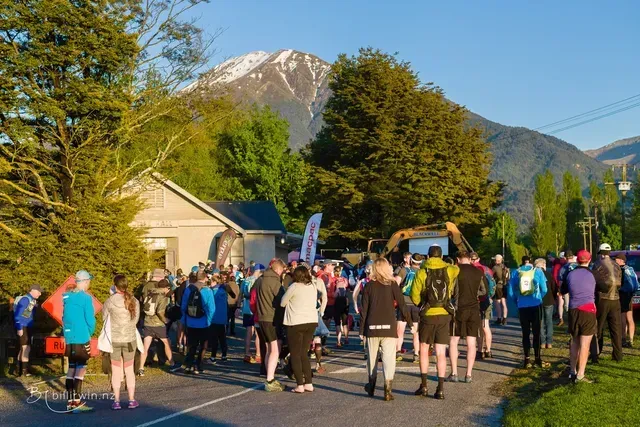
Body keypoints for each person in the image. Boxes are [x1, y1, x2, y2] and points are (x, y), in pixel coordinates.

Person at [411, 244, 459, 400]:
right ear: (442, 256)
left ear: (428, 256)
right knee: (440, 352)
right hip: (444, 314)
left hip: (428, 315)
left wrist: (422, 305)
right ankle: (440, 389)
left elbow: (414, 295)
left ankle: (424, 385)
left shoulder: (422, 272)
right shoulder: (450, 270)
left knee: (424, 349)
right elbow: (456, 269)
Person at [360, 258, 412, 401]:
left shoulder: (369, 286)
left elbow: (364, 310)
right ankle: (388, 390)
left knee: (372, 358)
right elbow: (402, 304)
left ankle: (371, 385)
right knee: (389, 359)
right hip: (389, 326)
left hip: (372, 327)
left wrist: (361, 330)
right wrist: (410, 322)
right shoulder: (392, 284)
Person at [103, 275, 141, 410]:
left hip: (114, 339)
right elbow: (136, 320)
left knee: (116, 370)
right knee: (129, 370)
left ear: (115, 286)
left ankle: (116, 401)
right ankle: (131, 400)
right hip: (129, 339)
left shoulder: (109, 301)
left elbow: (104, 319)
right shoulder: (134, 301)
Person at [448, 251, 486, 383]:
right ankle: (468, 374)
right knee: (471, 343)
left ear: (458, 259)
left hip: (458, 310)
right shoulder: (478, 272)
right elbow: (484, 291)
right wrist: (475, 294)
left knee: (454, 341)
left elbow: (451, 291)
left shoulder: (456, 271)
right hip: (473, 309)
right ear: (470, 259)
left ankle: (454, 373)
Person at [280, 266, 319, 393]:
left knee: (295, 354)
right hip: (311, 321)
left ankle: (299, 384)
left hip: (295, 322)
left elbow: (283, 302)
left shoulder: (294, 286)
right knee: (304, 353)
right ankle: (309, 382)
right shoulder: (312, 286)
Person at [62, 270, 97, 412]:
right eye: (88, 281)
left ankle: (70, 402)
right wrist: (89, 332)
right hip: (82, 336)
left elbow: (65, 318)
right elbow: (90, 319)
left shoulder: (67, 297)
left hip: (70, 338)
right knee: (80, 369)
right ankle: (77, 403)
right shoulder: (85, 298)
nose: (89, 284)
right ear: (85, 282)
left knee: (71, 368)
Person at [508, 257, 549, 369]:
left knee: (525, 333)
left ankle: (526, 360)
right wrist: (539, 298)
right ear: (531, 262)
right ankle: (537, 358)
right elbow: (545, 289)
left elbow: (511, 291)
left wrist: (517, 301)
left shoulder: (516, 272)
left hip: (522, 306)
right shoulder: (538, 271)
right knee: (536, 333)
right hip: (535, 304)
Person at [565, 250, 597, 383]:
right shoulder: (593, 274)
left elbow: (563, 290)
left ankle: (572, 371)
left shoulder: (570, 274)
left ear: (577, 260)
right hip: (588, 310)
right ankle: (580, 374)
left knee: (575, 342)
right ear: (589, 260)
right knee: (585, 345)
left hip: (573, 310)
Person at [256, 258, 287, 391]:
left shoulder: (260, 280)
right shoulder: (275, 282)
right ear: (278, 269)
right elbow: (282, 300)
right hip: (271, 318)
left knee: (269, 348)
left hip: (261, 317)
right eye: (282, 271)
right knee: (275, 349)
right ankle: (270, 380)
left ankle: (269, 376)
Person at [590, 243, 623, 362]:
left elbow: (594, 282)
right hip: (616, 299)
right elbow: (620, 282)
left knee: (598, 327)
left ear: (600, 254)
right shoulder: (616, 265)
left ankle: (596, 354)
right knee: (616, 328)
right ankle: (618, 355)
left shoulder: (597, 265)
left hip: (602, 299)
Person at [140, 279, 179, 375]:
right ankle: (172, 364)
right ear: (166, 288)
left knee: (145, 346)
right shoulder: (162, 297)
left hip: (147, 322)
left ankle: (140, 368)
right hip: (158, 324)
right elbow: (160, 311)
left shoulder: (150, 293)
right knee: (167, 343)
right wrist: (165, 320)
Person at [180, 270, 214, 374]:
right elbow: (211, 308)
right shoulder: (207, 290)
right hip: (203, 322)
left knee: (192, 345)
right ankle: (198, 365)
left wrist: (185, 319)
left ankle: (189, 365)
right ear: (205, 278)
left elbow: (183, 306)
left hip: (190, 322)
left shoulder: (188, 289)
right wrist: (209, 320)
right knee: (203, 346)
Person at [396, 253, 422, 363]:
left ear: (411, 261)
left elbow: (395, 285)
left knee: (400, 331)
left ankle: (397, 352)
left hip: (404, 304)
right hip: (416, 305)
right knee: (415, 332)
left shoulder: (404, 271)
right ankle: (416, 354)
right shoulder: (422, 273)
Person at [13, 284, 42, 377]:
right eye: (39, 291)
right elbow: (18, 315)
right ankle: (24, 372)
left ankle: (18, 370)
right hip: (23, 326)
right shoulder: (25, 299)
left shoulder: (32, 300)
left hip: (27, 326)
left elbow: (28, 314)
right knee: (26, 348)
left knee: (23, 348)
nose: (40, 294)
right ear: (33, 290)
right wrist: (19, 328)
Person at [471, 252, 495, 359]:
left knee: (479, 328)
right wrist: (490, 296)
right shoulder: (487, 269)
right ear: (479, 259)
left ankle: (480, 350)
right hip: (487, 300)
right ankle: (489, 350)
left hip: (477, 301)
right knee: (486, 326)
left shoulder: (471, 270)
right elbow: (492, 284)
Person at [208, 273, 236, 363]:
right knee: (222, 337)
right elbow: (233, 295)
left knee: (214, 339)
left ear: (214, 281)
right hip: (223, 317)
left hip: (213, 317)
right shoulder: (224, 290)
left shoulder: (211, 291)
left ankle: (213, 357)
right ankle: (224, 355)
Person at [241, 265, 264, 363]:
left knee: (248, 332)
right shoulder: (259, 281)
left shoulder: (245, 280)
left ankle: (247, 353)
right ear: (259, 271)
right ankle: (258, 354)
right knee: (258, 333)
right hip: (255, 309)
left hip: (246, 309)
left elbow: (241, 293)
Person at [615, 253, 639, 347]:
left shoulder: (620, 270)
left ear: (621, 260)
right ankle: (631, 340)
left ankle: (623, 339)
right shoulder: (630, 269)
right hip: (630, 295)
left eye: (616, 259)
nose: (615, 261)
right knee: (630, 318)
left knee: (622, 318)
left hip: (623, 295)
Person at [539, 258, 556, 349]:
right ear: (544, 265)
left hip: (538, 301)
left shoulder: (535, 275)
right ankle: (549, 342)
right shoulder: (549, 275)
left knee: (540, 321)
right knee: (549, 321)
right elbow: (554, 287)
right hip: (549, 300)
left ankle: (542, 342)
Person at [557, 250, 578, 326]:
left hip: (567, 292)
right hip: (579, 291)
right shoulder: (579, 266)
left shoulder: (563, 268)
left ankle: (572, 332)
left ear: (565, 258)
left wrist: (560, 291)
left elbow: (561, 283)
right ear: (573, 256)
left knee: (569, 309)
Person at [333, 265, 350, 347]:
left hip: (336, 301)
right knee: (345, 322)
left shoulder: (334, 280)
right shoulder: (344, 280)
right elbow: (348, 287)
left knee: (337, 322)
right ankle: (346, 338)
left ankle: (338, 341)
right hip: (344, 301)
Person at [317, 261, 337, 331]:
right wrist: (331, 294)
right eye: (332, 265)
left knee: (328, 321)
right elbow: (319, 291)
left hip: (331, 302)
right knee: (323, 323)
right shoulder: (321, 275)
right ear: (327, 265)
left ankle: (323, 338)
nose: (333, 267)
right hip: (324, 303)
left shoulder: (330, 275)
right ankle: (321, 339)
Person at [492, 254, 510, 325]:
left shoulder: (495, 267)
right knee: (504, 303)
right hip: (504, 286)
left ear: (497, 260)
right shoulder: (505, 267)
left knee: (497, 303)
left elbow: (491, 276)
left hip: (498, 286)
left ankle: (499, 319)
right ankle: (504, 319)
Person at [553, 252, 567, 327]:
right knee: (563, 303)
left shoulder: (557, 266)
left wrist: (557, 286)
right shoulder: (568, 265)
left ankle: (561, 318)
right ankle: (562, 318)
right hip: (565, 286)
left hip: (560, 286)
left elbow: (555, 277)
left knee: (561, 303)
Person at [226, 272, 240, 337]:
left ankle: (225, 330)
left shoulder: (227, 285)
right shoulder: (236, 286)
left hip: (228, 303)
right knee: (232, 318)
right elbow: (238, 294)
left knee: (227, 317)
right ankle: (232, 331)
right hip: (234, 303)